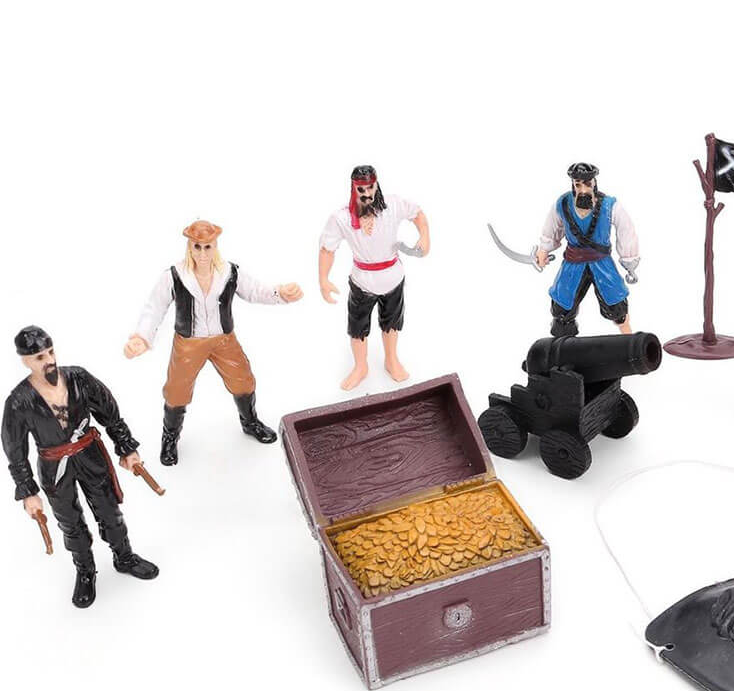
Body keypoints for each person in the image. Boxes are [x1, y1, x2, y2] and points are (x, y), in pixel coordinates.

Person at [2, 326, 158, 607]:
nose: (49, 360)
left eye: (50, 352)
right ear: (26, 361)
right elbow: (15, 450)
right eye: (40, 357)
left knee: (110, 510)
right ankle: (85, 570)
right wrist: (28, 491)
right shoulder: (18, 401)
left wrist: (126, 448)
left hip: (90, 455)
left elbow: (109, 412)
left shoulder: (78, 378)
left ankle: (124, 557)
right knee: (70, 523)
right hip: (54, 468)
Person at [125, 220, 303, 465]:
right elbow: (154, 308)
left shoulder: (229, 272)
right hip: (189, 342)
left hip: (223, 340)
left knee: (243, 379)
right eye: (197, 247)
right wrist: (141, 337)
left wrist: (280, 293)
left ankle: (250, 421)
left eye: (207, 247)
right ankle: (170, 437)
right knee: (176, 391)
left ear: (215, 246)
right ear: (189, 247)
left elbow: (256, 291)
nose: (202, 253)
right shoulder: (174, 276)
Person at [318, 165, 430, 390]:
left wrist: (424, 236)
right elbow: (327, 249)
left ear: (377, 185)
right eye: (362, 189)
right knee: (357, 328)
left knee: (392, 324)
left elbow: (417, 214)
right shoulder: (341, 218)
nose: (367, 193)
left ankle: (391, 360)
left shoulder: (393, 205)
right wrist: (323, 279)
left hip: (393, 278)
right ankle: (361, 367)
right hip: (362, 281)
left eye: (371, 187)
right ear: (353, 189)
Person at [534, 162, 640, 338]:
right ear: (573, 185)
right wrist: (544, 250)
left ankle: (629, 340)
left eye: (587, 184)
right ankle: (562, 345)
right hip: (573, 264)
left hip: (602, 264)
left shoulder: (610, 205)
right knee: (562, 307)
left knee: (617, 304)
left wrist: (629, 261)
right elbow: (551, 229)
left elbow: (626, 231)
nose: (583, 189)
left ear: (594, 183)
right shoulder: (563, 204)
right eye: (578, 184)